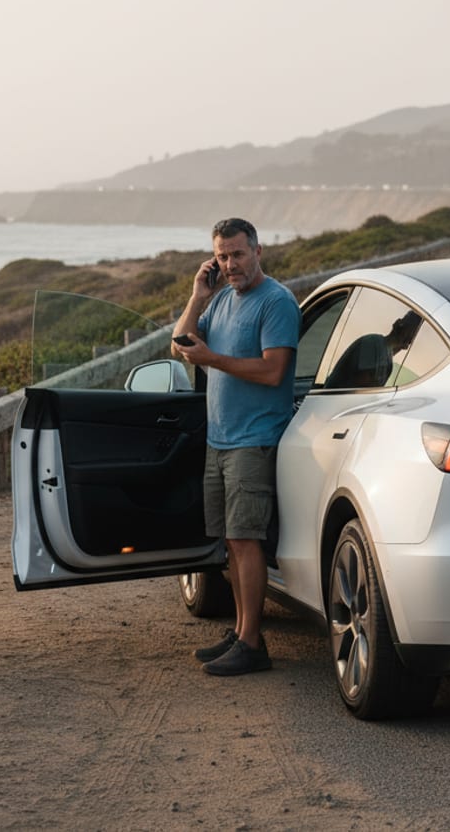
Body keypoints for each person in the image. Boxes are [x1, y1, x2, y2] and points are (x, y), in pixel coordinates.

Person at [171, 217, 300, 676]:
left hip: (255, 439)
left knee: (247, 542)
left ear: (258, 251)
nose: (230, 264)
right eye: (222, 256)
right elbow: (179, 344)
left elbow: (272, 372)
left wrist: (212, 360)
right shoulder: (222, 298)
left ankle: (251, 643)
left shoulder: (276, 302)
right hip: (220, 439)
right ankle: (243, 631)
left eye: (238, 254)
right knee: (231, 542)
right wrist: (197, 296)